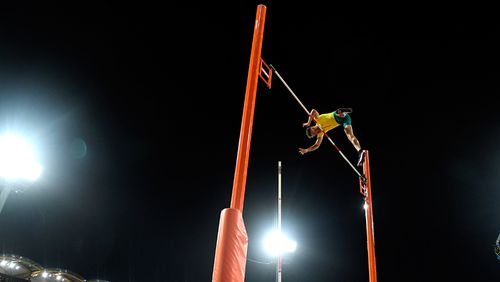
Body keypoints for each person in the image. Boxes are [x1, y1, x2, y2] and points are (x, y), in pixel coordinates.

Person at [298, 108, 365, 166]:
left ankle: (342, 112)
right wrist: (307, 150)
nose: (316, 133)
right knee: (350, 136)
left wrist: (308, 122)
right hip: (344, 120)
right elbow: (317, 145)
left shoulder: (317, 119)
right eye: (314, 135)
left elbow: (313, 111)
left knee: (338, 114)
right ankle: (360, 151)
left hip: (336, 115)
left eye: (314, 132)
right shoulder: (320, 134)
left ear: (312, 127)